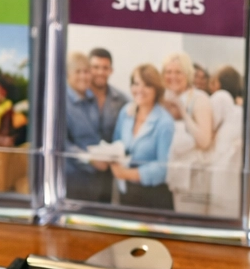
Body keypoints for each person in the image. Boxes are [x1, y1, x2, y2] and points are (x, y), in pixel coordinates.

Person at [65, 48, 127, 202]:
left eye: (86, 72)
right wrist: (90, 159)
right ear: (68, 74)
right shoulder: (61, 101)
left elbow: (98, 137)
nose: (83, 76)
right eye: (78, 72)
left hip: (100, 178)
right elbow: (62, 144)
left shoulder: (90, 99)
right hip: (73, 179)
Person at [111, 64, 175, 210]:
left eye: (147, 85)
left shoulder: (164, 122)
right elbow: (116, 144)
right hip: (127, 192)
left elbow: (163, 168)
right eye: (136, 83)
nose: (139, 89)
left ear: (156, 89)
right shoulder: (126, 113)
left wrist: (126, 174)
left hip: (154, 197)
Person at [162, 51, 215, 215]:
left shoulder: (199, 98)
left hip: (193, 179)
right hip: (168, 176)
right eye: (168, 72)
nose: (173, 77)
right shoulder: (163, 97)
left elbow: (204, 141)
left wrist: (183, 112)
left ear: (188, 74)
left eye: (178, 72)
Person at [207, 66, 245, 219]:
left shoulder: (220, 97)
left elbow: (208, 128)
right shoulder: (239, 109)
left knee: (219, 206)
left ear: (217, 83)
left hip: (222, 162)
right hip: (233, 165)